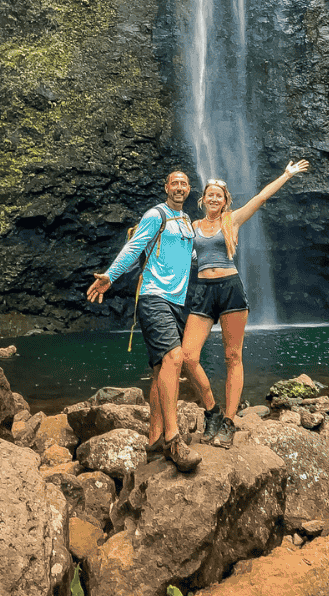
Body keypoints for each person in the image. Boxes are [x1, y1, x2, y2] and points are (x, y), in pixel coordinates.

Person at [182, 158, 310, 449]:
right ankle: (211, 411)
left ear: (225, 201)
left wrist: (286, 175)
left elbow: (262, 197)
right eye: (210, 194)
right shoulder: (192, 227)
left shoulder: (232, 220)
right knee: (188, 356)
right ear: (203, 199)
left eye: (219, 195)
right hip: (202, 290)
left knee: (233, 357)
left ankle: (228, 421)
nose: (214, 197)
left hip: (230, 290)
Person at [87, 169, 202, 472]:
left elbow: (190, 259)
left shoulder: (188, 222)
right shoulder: (156, 215)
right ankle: (174, 440)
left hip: (178, 302)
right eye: (174, 183)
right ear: (166, 188)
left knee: (159, 370)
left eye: (184, 184)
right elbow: (134, 247)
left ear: (189, 190)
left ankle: (153, 441)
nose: (179, 187)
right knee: (174, 359)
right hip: (153, 297)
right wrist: (109, 277)